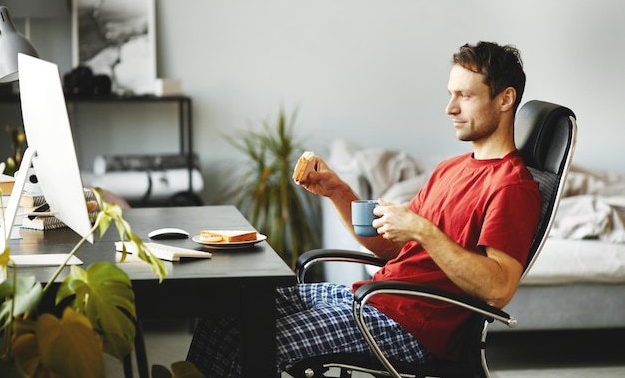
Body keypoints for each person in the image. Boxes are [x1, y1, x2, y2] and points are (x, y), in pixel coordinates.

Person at [186, 41, 542, 376]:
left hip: (406, 327)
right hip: (371, 297)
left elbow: (498, 289)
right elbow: (390, 249)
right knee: (230, 310)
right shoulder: (451, 168)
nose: (450, 108)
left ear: (505, 99)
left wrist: (421, 229)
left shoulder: (511, 186)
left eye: (464, 96)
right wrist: (338, 191)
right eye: (451, 95)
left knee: (256, 344)